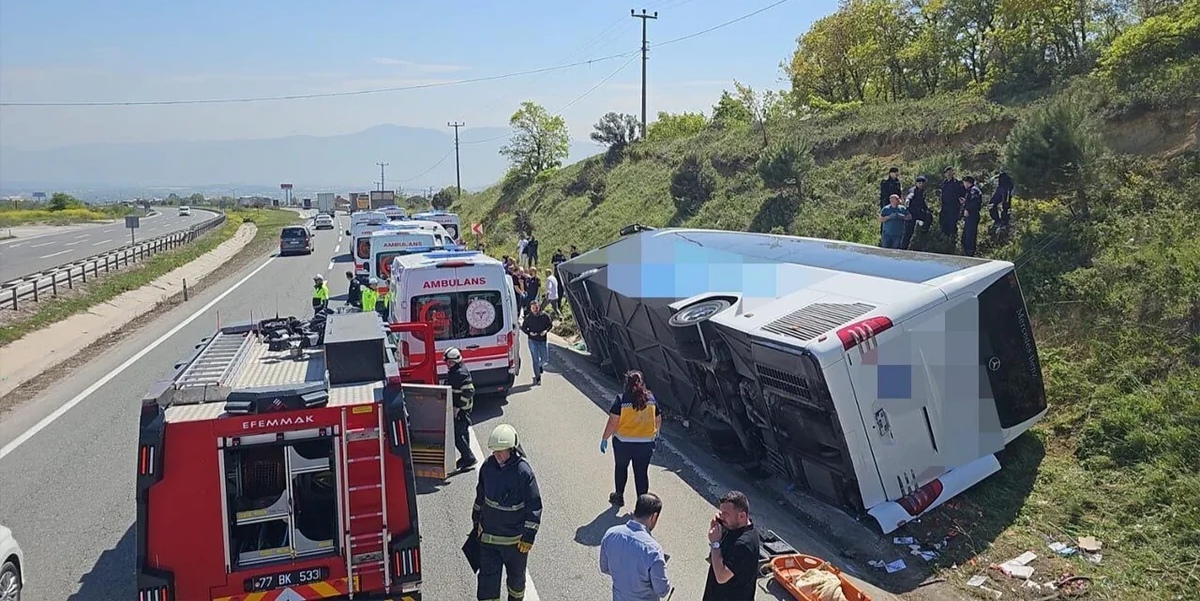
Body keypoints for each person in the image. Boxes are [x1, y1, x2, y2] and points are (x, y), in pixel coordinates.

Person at [473, 424, 542, 601]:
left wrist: (528, 536)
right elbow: (480, 497)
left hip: (516, 544)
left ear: (512, 449)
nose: (498, 456)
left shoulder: (523, 473)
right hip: (489, 540)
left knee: (516, 584)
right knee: (487, 585)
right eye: (495, 452)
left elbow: (534, 506)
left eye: (502, 452)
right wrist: (476, 522)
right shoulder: (488, 467)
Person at [600, 371, 661, 507]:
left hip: (623, 443)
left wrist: (605, 438)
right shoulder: (651, 399)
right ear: (643, 383)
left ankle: (619, 496)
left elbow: (613, 422)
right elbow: (658, 419)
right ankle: (642, 506)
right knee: (641, 473)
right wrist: (655, 434)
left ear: (627, 384)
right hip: (645, 444)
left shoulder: (621, 400)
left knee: (621, 468)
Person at [599, 493, 673, 601]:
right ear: (654, 516)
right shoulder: (653, 551)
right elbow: (662, 591)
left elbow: (604, 568)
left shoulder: (611, 534)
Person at [702, 491, 761, 601]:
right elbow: (714, 558)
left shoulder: (744, 543)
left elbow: (721, 576)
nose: (721, 516)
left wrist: (715, 543)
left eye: (726, 514)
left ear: (742, 516)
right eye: (721, 512)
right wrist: (718, 530)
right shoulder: (732, 527)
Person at [444, 347, 477, 471]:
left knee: (457, 435)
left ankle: (469, 458)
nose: (448, 364)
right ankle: (465, 457)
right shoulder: (456, 371)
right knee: (463, 432)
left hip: (462, 409)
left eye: (450, 362)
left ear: (456, 360)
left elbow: (469, 391)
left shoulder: (460, 373)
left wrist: (458, 407)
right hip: (461, 409)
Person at [520, 301, 552, 385]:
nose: (535, 310)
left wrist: (545, 331)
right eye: (533, 308)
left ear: (539, 307)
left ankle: (540, 366)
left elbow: (550, 325)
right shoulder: (528, 317)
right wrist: (529, 332)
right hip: (532, 340)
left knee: (545, 359)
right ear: (531, 309)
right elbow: (523, 328)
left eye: (536, 308)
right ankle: (537, 377)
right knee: (535, 359)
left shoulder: (545, 316)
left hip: (542, 340)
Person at [902, 176, 933, 250]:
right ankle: (903, 248)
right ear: (916, 183)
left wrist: (927, 209)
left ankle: (923, 230)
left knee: (929, 217)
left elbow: (922, 202)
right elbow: (910, 196)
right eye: (919, 183)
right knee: (908, 232)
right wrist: (907, 200)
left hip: (918, 212)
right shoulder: (913, 190)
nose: (921, 184)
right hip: (911, 214)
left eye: (922, 183)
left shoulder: (922, 191)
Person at [939, 167, 966, 243]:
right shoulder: (944, 183)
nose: (949, 174)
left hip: (953, 207)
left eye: (950, 172)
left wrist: (961, 200)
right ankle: (945, 239)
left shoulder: (957, 183)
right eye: (947, 172)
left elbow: (962, 194)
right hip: (944, 206)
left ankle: (953, 239)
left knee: (952, 222)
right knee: (943, 221)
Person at [961, 175, 984, 257]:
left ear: (967, 182)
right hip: (971, 216)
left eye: (964, 182)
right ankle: (967, 252)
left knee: (970, 236)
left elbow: (974, 201)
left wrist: (967, 209)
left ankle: (969, 254)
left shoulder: (973, 190)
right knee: (967, 236)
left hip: (972, 216)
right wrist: (965, 202)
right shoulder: (972, 190)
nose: (964, 184)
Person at [879, 167, 903, 238]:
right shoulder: (885, 182)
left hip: (896, 203)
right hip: (886, 202)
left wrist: (899, 200)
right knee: (885, 218)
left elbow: (899, 192)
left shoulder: (897, 182)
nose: (896, 174)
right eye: (895, 172)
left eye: (897, 172)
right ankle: (883, 234)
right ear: (890, 173)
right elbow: (884, 194)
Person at [989, 170, 1014, 234]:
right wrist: (995, 177)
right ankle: (997, 220)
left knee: (1005, 206)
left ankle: (1005, 223)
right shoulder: (1004, 170)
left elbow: (1014, 175)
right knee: (991, 204)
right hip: (1000, 187)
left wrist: (1012, 191)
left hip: (1007, 188)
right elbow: (1003, 173)